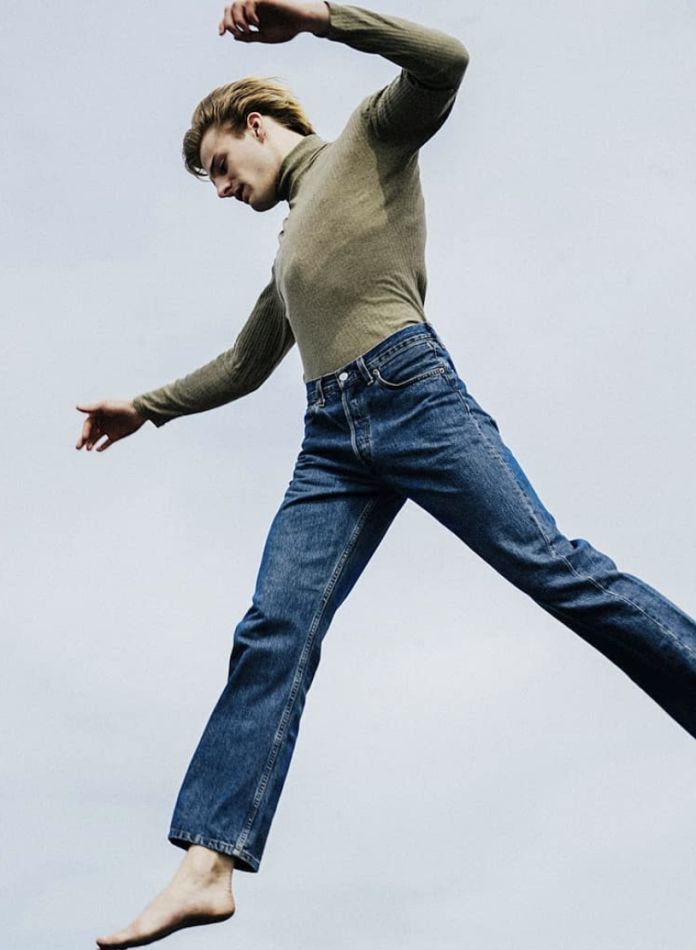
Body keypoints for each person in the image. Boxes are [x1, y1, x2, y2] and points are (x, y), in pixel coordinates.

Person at [75, 1, 696, 947]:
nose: (221, 188)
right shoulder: (288, 249)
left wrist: (316, 16)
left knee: (556, 568)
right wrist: (145, 406)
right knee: (273, 628)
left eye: (219, 165)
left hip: (413, 397)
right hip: (331, 442)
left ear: (255, 125)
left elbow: (447, 58)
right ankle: (208, 864)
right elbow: (243, 364)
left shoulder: (369, 139)